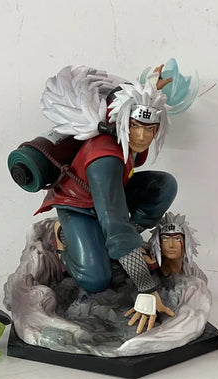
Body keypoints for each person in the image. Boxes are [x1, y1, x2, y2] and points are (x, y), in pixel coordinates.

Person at [34, 65, 180, 333]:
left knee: (163, 185)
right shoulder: (105, 158)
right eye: (135, 126)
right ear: (121, 123)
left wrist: (149, 87)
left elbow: (130, 101)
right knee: (95, 279)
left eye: (150, 128)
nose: (142, 136)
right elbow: (115, 223)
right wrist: (146, 288)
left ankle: (118, 249)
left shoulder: (129, 141)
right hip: (79, 207)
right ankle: (65, 239)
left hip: (111, 192)